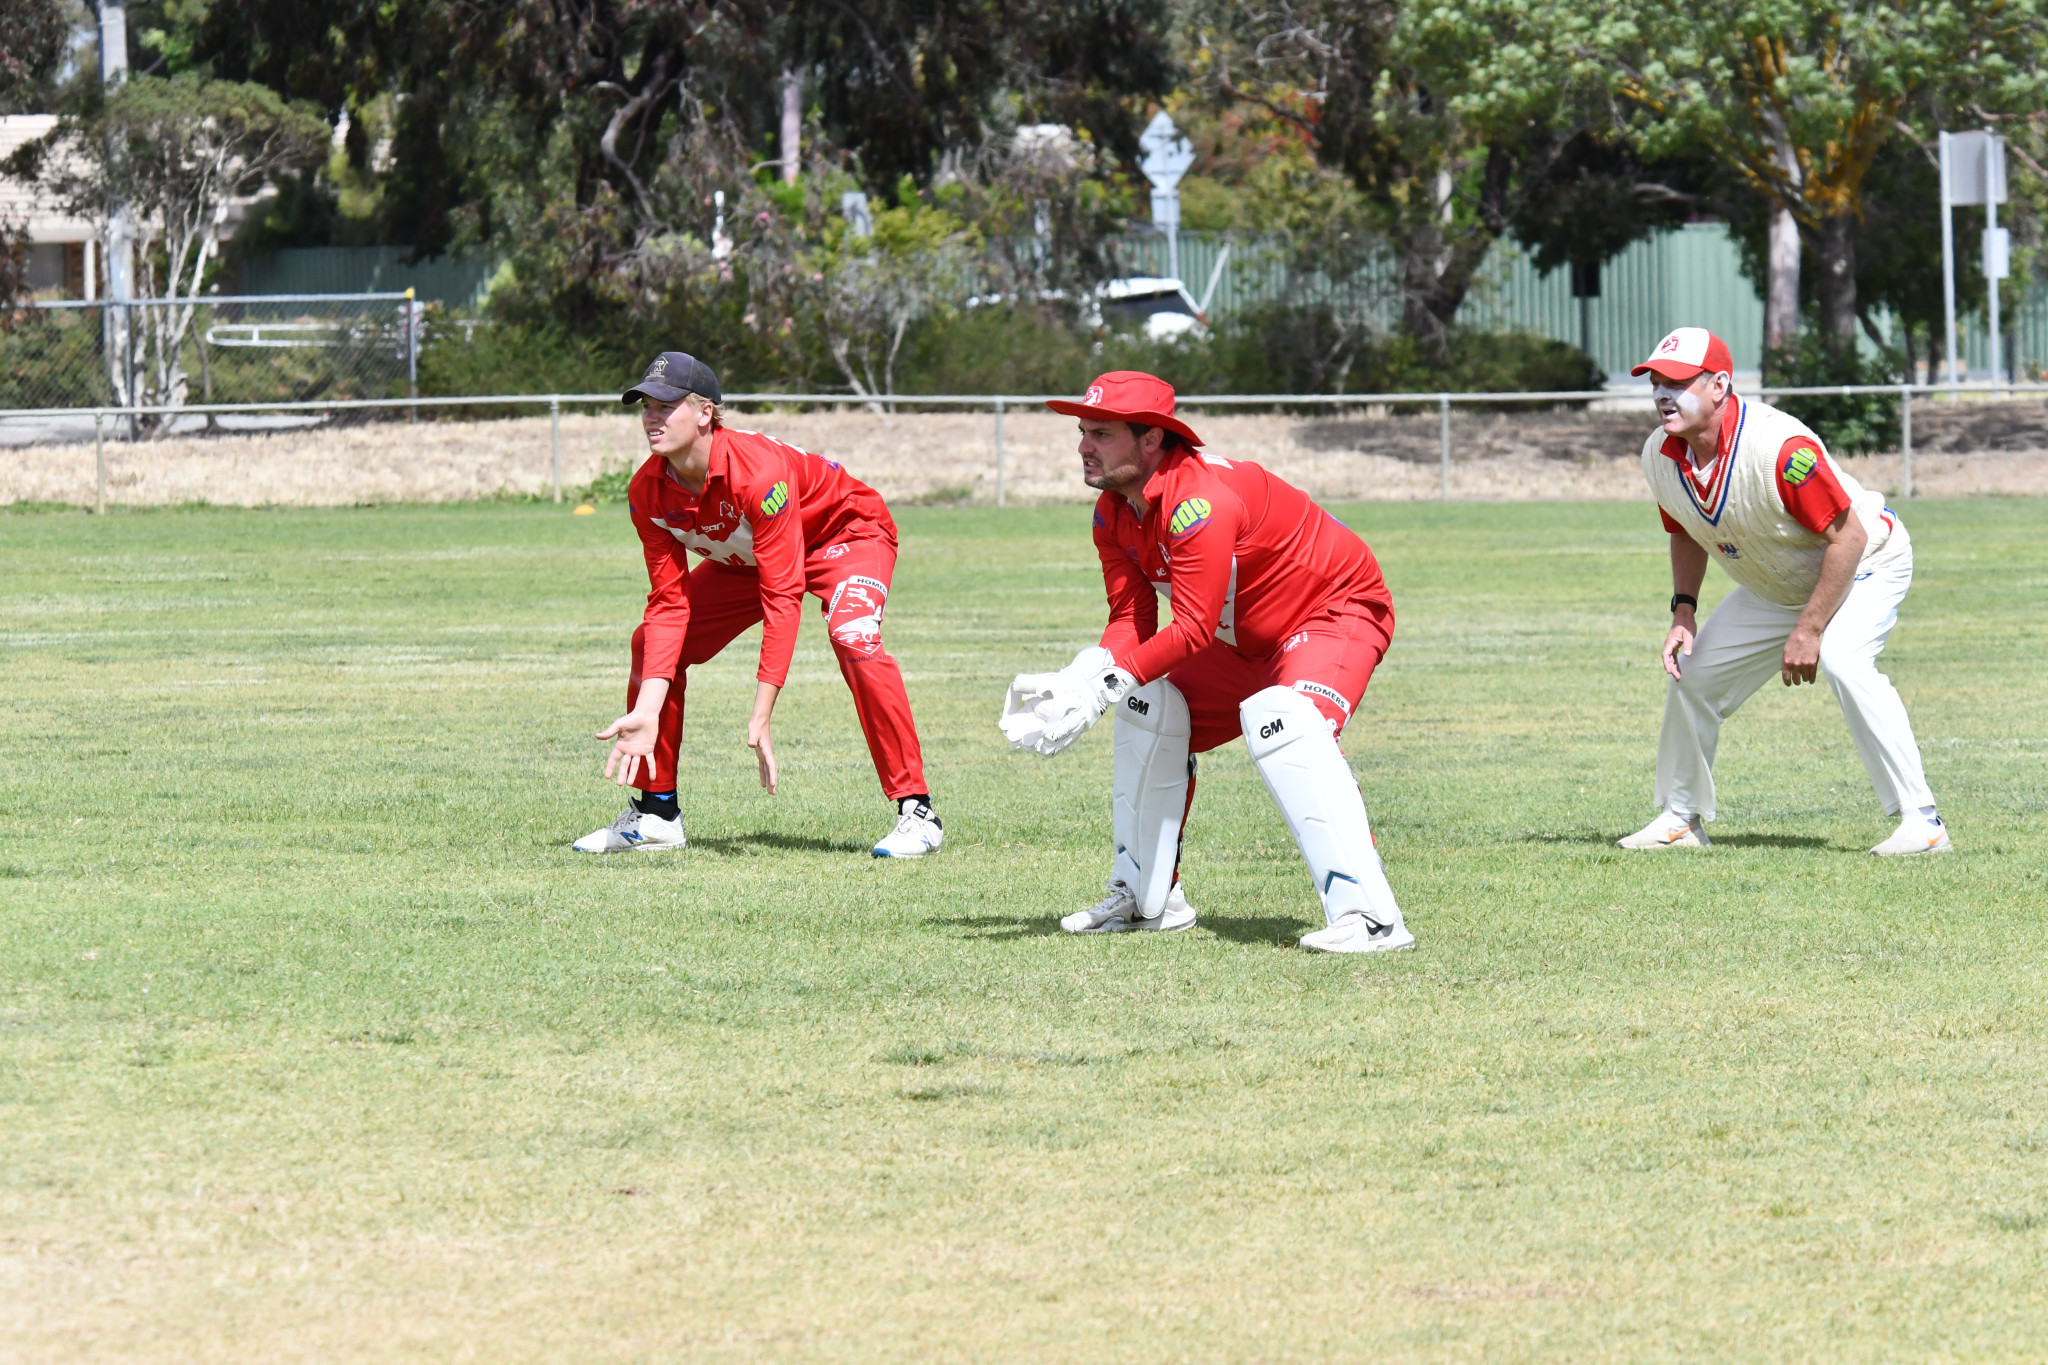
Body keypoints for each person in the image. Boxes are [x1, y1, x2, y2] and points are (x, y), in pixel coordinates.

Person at [999, 371, 1413, 953]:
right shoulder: (1113, 512)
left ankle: (1371, 919)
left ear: (1151, 441)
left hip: (1332, 612)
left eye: (1100, 434)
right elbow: (1132, 625)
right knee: (1148, 707)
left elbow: (1191, 629)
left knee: (1289, 721)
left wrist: (1099, 692)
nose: (1083, 446)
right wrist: (1080, 677)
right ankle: (1150, 899)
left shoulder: (1199, 501)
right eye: (1081, 432)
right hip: (1241, 637)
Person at [575, 351, 943, 858]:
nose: (651, 417)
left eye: (665, 404)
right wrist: (647, 707)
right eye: (645, 406)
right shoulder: (647, 490)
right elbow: (668, 605)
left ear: (705, 412)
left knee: (853, 636)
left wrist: (762, 711)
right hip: (751, 558)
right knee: (651, 642)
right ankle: (658, 813)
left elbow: (782, 594)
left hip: (845, 533)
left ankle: (917, 811)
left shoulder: (756, 472)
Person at [1618, 327, 1947, 856]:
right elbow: (1683, 527)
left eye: (1677, 382)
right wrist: (1684, 611)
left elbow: (1850, 538)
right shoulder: (1661, 454)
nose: (1662, 393)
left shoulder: (1779, 448)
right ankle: (1681, 818)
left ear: (1719, 386)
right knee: (1693, 674)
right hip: (1779, 580)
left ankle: (1923, 822)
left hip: (1866, 561)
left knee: (1843, 660)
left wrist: (1810, 629)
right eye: (1656, 381)